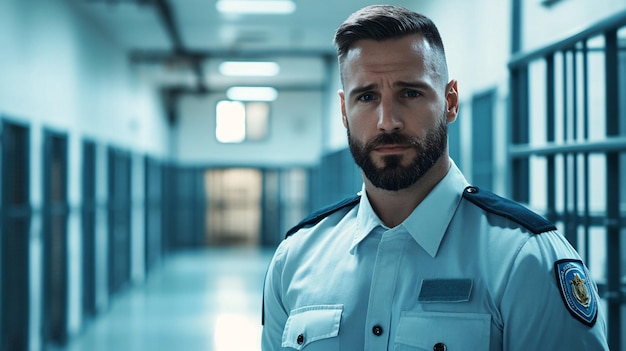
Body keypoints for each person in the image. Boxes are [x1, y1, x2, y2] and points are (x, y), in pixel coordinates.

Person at [262, 5, 609, 350]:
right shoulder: (296, 259)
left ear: (450, 101)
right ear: (344, 111)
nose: (387, 121)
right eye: (367, 97)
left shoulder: (524, 261)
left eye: (410, 93)